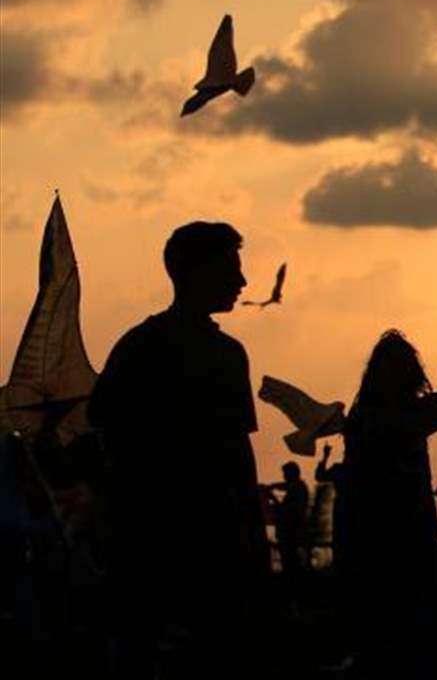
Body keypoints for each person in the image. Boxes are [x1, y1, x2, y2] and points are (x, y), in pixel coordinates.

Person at [89, 221, 269, 680]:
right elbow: (235, 455)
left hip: (167, 539)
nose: (242, 282)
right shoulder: (212, 353)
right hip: (176, 540)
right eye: (231, 268)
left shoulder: (140, 346)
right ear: (194, 271)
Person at [328, 330, 437, 680]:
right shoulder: (369, 419)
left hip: (404, 534)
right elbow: (430, 414)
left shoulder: (374, 416)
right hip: (377, 535)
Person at [267, 460, 312, 579]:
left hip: (290, 532)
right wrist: (273, 486)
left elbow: (285, 511)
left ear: (291, 474)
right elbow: (286, 486)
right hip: (294, 531)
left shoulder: (296, 490)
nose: (284, 476)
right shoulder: (300, 486)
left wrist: (272, 497)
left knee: (289, 563)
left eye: (285, 474)